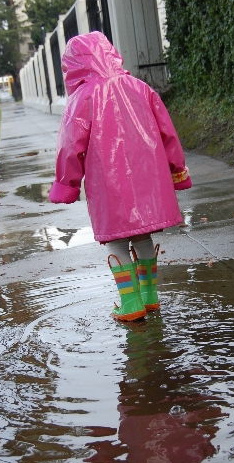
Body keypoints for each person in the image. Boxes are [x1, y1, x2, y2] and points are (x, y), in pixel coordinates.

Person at [48, 31, 192, 321]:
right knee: (142, 234)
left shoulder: (82, 98)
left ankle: (130, 303)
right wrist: (176, 170)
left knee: (116, 240)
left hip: (108, 182)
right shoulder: (140, 88)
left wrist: (67, 184)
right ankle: (150, 296)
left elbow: (69, 145)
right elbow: (168, 133)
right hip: (148, 177)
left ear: (73, 66)